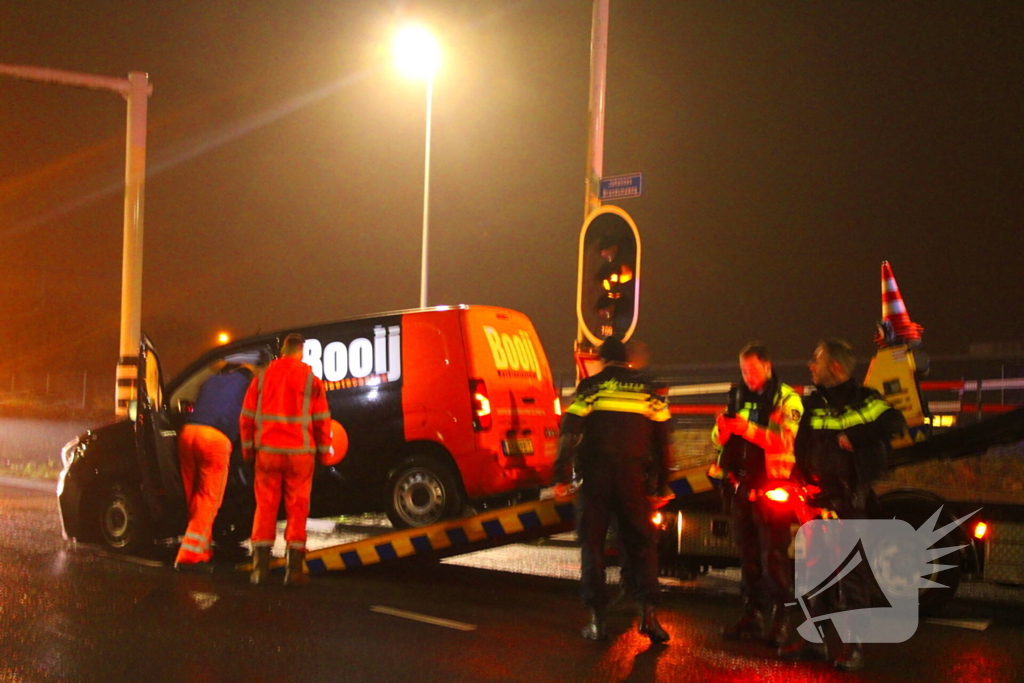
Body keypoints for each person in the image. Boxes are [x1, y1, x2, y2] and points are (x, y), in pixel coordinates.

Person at [779, 339, 906, 672]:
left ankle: (853, 646)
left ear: (834, 366)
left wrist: (857, 437)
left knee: (850, 576)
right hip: (815, 500)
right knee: (812, 574)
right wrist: (798, 480)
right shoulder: (814, 403)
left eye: (816, 360)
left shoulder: (865, 400)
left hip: (849, 500)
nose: (811, 366)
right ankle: (812, 642)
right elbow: (802, 445)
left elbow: (895, 422)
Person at [553, 336, 673, 643]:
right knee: (643, 545)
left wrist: (561, 476)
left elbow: (570, 432)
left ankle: (597, 620)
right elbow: (663, 442)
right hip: (633, 479)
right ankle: (648, 616)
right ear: (627, 360)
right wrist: (662, 485)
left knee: (592, 545)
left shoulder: (592, 387)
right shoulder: (649, 390)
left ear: (602, 360)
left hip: (596, 479)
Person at [711, 342, 804, 647]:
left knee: (773, 559)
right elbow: (720, 438)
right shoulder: (738, 396)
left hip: (773, 489)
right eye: (743, 371)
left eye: (752, 370)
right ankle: (752, 616)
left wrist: (746, 428)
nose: (747, 377)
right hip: (742, 487)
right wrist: (722, 432)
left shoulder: (787, 398)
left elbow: (785, 442)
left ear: (767, 365)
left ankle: (780, 622)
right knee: (747, 558)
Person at [240, 333, 334, 586]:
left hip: (268, 453)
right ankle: (293, 571)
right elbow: (322, 420)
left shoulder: (262, 378)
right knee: (298, 509)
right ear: (301, 352)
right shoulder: (311, 380)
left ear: (283, 351)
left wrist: (249, 451)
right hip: (300, 455)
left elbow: (246, 417)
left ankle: (259, 570)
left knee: (265, 507)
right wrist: (324, 455)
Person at [174, 360, 255, 571]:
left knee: (195, 497)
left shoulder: (210, 381)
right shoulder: (248, 386)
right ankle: (189, 557)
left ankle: (202, 550)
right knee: (209, 498)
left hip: (188, 433)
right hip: (214, 439)